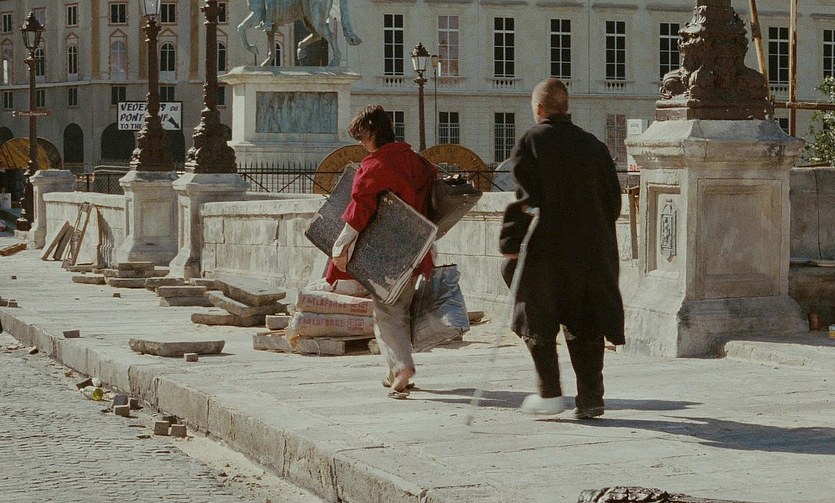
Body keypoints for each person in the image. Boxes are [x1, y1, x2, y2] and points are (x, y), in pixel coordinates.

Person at [500, 78, 625, 419]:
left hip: (548, 253)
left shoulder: (531, 142)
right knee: (586, 324)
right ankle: (591, 398)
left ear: (539, 109)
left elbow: (527, 201)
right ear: (566, 107)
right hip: (590, 253)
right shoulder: (594, 146)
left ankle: (550, 392)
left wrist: (510, 240)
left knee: (536, 319)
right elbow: (613, 203)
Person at [327, 104, 437, 399]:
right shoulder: (414, 159)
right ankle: (394, 372)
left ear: (372, 132)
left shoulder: (375, 166)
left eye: (362, 137)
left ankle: (402, 369)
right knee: (399, 310)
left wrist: (341, 245)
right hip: (419, 248)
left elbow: (360, 209)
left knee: (386, 310)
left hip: (389, 252)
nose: (362, 144)